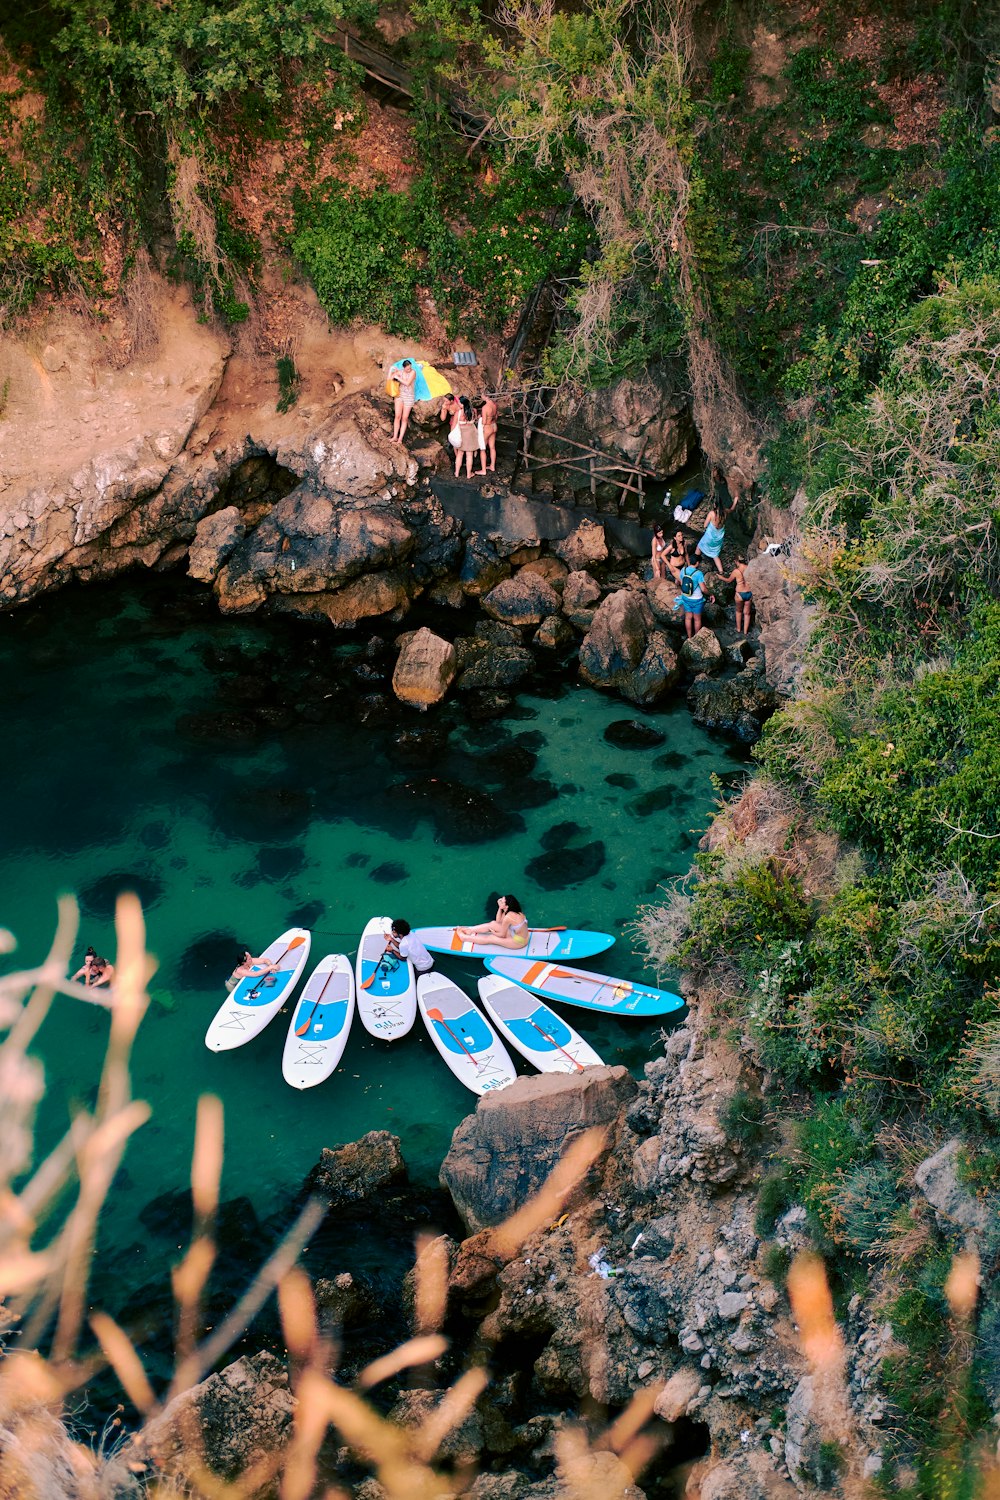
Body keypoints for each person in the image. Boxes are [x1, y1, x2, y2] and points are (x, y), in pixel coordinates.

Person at [456, 894, 530, 950]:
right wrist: (500, 908)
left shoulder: (509, 917)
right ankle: (470, 930)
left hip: (519, 941)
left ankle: (464, 938)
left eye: (502, 901)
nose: (500, 901)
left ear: (507, 906)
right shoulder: (515, 911)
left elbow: (502, 935)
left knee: (491, 938)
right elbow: (498, 921)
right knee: (493, 923)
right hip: (517, 935)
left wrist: (493, 932)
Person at [677, 561, 715, 638]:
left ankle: (689, 637)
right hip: (697, 599)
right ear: (697, 562)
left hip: (686, 597)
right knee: (697, 619)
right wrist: (711, 594)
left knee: (688, 618)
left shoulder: (683, 570)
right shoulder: (698, 573)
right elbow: (703, 589)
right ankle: (696, 638)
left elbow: (681, 583)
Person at [695, 501, 729, 575]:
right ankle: (721, 571)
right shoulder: (725, 513)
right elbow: (731, 509)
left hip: (710, 537)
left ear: (715, 505)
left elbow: (705, 525)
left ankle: (694, 563)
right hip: (718, 538)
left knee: (699, 546)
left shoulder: (712, 513)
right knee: (715, 555)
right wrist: (735, 501)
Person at [389, 359, 417, 444]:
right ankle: (395, 436)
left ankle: (400, 439)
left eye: (410, 368)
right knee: (397, 416)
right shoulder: (400, 372)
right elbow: (390, 378)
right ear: (404, 368)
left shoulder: (413, 372)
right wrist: (392, 372)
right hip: (400, 395)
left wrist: (397, 377)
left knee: (404, 418)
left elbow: (407, 383)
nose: (409, 370)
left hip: (409, 397)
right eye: (408, 368)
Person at [723, 555, 753, 635]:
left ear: (736, 561)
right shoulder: (749, 568)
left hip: (740, 594)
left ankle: (739, 629)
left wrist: (720, 577)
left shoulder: (736, 571)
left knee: (738, 611)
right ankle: (746, 632)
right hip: (749, 592)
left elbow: (728, 580)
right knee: (747, 613)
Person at [454, 396, 481, 480]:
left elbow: (454, 425)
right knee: (469, 455)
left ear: (462, 404)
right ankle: (469, 474)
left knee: (460, 454)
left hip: (462, 435)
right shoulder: (473, 411)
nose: (457, 403)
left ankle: (457, 473)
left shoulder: (458, 413)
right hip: (471, 435)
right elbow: (475, 420)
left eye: (459, 402)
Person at [478, 395, 498, 474]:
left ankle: (483, 470)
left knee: (482, 449)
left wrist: (480, 417)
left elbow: (484, 422)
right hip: (494, 425)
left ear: (485, 396)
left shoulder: (485, 407)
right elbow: (496, 416)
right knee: (492, 447)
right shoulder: (495, 404)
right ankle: (492, 466)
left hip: (487, 427)